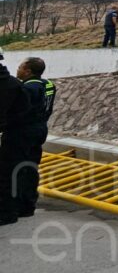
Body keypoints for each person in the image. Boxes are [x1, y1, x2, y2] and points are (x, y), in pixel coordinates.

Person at [13, 57, 55, 219]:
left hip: (24, 131)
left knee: (17, 168)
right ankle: (29, 204)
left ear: (28, 71)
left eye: (20, 67)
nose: (17, 69)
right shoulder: (48, 85)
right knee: (31, 166)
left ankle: (17, 205)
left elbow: (19, 111)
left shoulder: (28, 88)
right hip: (40, 128)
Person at [0, 50, 29, 226]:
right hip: (11, 134)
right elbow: (23, 110)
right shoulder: (15, 84)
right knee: (7, 174)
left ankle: (7, 213)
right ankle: (11, 211)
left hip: (9, 135)